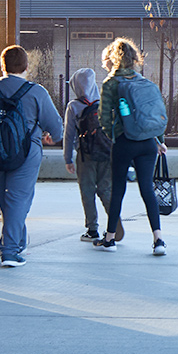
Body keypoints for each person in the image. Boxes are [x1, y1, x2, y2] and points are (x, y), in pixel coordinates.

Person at [0, 45, 63, 267]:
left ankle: (17, 242)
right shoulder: (36, 92)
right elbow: (56, 128)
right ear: (26, 67)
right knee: (18, 200)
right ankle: (10, 252)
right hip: (27, 154)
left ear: (2, 66)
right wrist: (47, 135)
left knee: (7, 201)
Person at [93, 37, 167, 255]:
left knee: (118, 190)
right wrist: (160, 141)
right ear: (135, 58)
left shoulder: (111, 83)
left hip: (125, 141)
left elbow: (104, 118)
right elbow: (154, 113)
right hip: (147, 143)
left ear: (113, 59)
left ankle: (109, 239)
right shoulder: (144, 81)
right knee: (147, 189)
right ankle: (158, 239)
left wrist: (113, 135)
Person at [63, 67, 123, 242]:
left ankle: (92, 229)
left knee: (87, 191)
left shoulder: (73, 106)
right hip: (107, 153)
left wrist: (68, 159)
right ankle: (113, 224)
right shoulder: (106, 102)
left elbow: (68, 135)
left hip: (85, 156)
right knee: (106, 190)